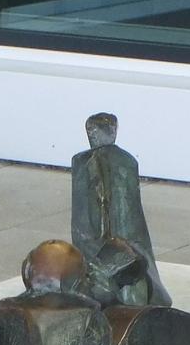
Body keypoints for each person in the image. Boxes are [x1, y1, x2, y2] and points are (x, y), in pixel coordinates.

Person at [70, 112, 173, 308]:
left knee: (124, 260)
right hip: (99, 233)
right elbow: (82, 215)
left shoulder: (123, 162)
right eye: (90, 131)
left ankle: (123, 289)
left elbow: (128, 209)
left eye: (94, 131)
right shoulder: (87, 162)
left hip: (120, 232)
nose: (92, 135)